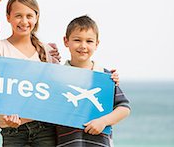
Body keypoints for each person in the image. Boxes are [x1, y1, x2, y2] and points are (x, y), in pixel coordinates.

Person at [0, 0, 58, 146]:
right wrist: (7, 116)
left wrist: (109, 77)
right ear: (8, 17)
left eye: (29, 16)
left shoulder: (46, 50)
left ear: (36, 17)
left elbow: (57, 87)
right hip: (13, 131)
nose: (24, 21)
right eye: (18, 15)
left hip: (44, 129)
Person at [56, 15, 131, 147]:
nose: (83, 46)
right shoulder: (57, 77)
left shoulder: (105, 76)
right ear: (66, 41)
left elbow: (124, 108)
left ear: (97, 44)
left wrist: (103, 121)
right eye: (77, 40)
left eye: (89, 41)